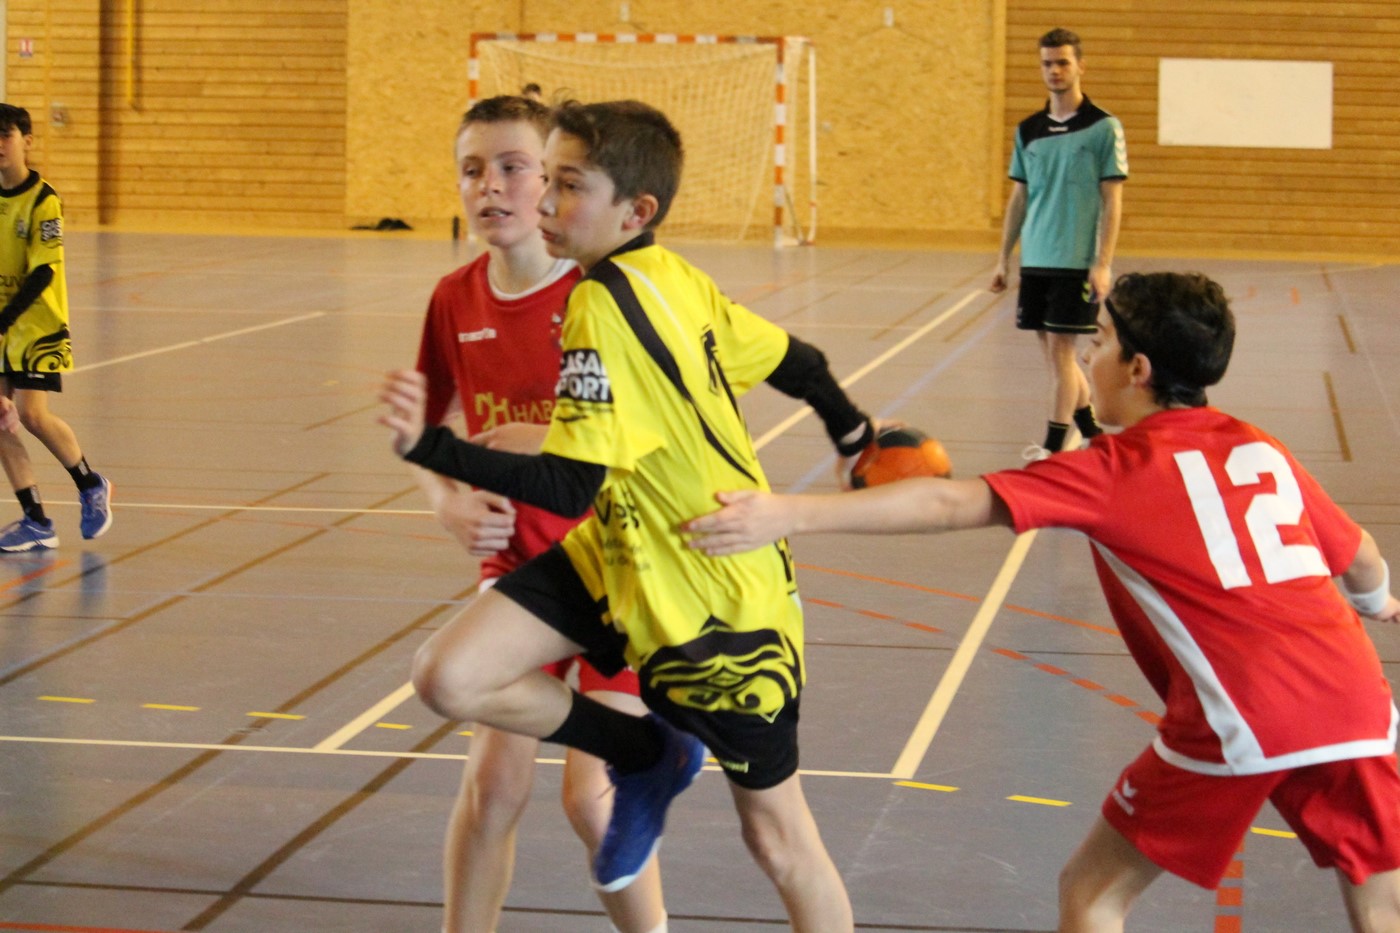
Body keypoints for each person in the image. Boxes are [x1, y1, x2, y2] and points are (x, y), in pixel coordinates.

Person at [685, 270, 1400, 932]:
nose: (1088, 356)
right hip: (1358, 700)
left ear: (1138, 369)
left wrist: (787, 513)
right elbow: (1361, 554)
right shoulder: (1260, 447)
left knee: (1093, 891)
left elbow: (947, 503)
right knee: (1378, 889)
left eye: (1102, 342)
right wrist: (1377, 601)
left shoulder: (1115, 469)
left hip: (1245, 711)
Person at [381, 99, 867, 931]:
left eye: (562, 184)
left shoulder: (604, 304)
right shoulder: (661, 276)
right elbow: (802, 362)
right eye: (545, 179)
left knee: (777, 837)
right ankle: (649, 754)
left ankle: (648, 776)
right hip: (611, 553)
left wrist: (432, 450)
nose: (538, 199)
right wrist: (857, 432)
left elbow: (569, 485)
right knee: (449, 676)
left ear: (635, 211)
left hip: (709, 592)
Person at [413, 94, 666, 933]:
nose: (490, 185)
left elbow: (656, 438)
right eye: (472, 169)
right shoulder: (455, 298)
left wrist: (544, 438)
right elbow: (426, 434)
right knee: (492, 786)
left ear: (555, 182)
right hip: (522, 569)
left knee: (592, 797)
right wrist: (449, 502)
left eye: (514, 168)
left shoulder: (605, 295)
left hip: (620, 573)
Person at [990, 28, 1127, 460]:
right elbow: (1019, 197)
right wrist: (1003, 259)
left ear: (1080, 66)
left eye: (1063, 62)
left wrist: (1102, 263)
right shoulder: (1028, 130)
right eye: (1047, 63)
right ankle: (1096, 439)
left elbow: (1112, 199)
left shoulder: (1103, 127)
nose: (1054, 70)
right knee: (1056, 362)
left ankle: (1052, 450)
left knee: (1063, 357)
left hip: (1076, 262)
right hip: (1037, 259)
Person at [0, 103, 111, 553]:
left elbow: (43, 271)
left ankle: (90, 484)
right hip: (2, 327)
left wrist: (4, 322)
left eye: (5, 135)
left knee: (31, 415)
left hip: (36, 327)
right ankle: (36, 521)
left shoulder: (44, 200)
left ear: (26, 141)